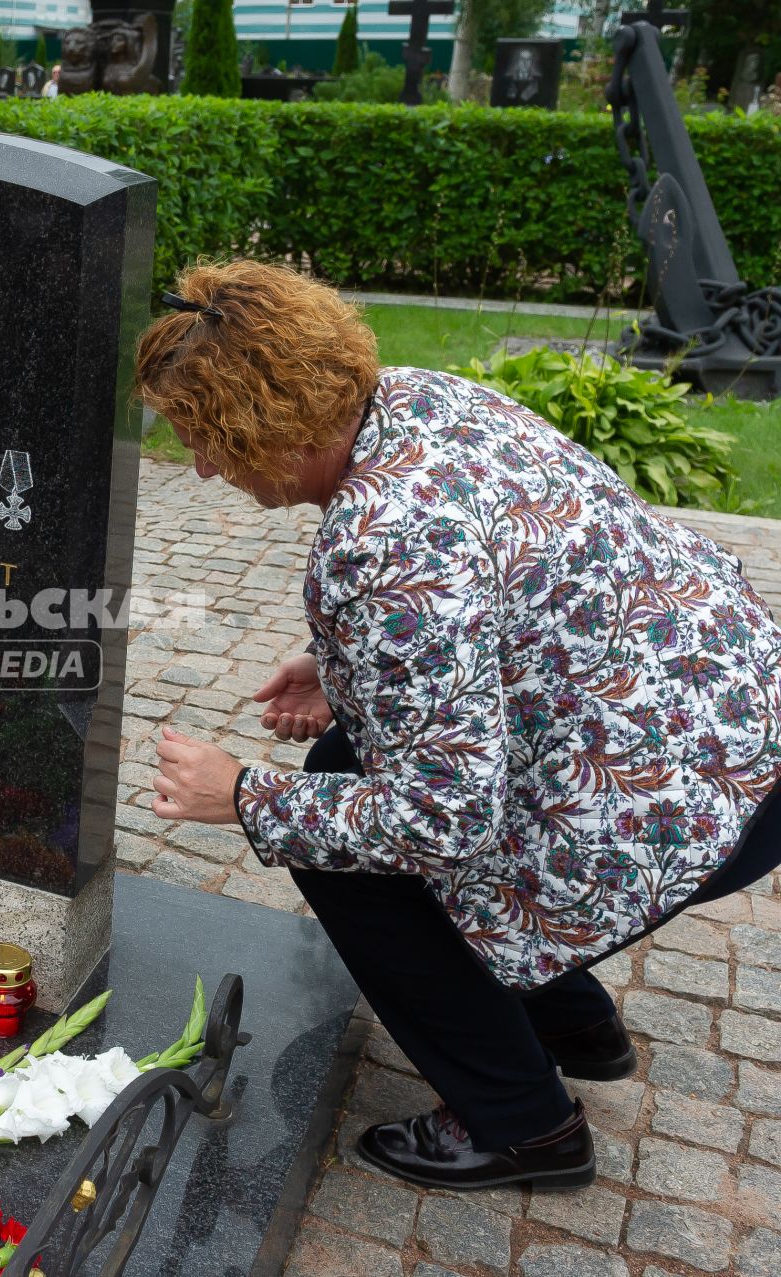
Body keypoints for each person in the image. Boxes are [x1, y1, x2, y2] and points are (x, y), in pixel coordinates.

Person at [137, 258, 781, 1192]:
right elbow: (489, 585)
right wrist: (338, 664)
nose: (201, 466)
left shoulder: (379, 540)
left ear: (271, 427)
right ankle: (572, 1024)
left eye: (207, 438)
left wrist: (240, 795)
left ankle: (525, 1126)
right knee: (338, 759)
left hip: (685, 800)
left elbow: (445, 819)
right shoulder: (418, 398)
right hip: (726, 715)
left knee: (334, 842)